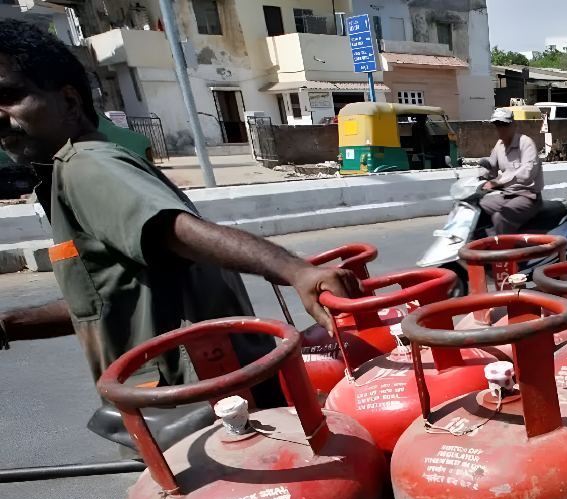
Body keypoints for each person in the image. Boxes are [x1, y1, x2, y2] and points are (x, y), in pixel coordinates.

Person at [0, 19, 357, 404]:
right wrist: (9, 325)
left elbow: (174, 229)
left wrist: (297, 271)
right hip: (203, 388)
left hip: (195, 400)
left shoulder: (84, 165)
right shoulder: (76, 169)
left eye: (11, 96)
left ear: (69, 101)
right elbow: (104, 304)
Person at [479, 107, 544, 235]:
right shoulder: (499, 145)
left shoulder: (525, 143)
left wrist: (500, 182)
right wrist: (482, 175)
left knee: (501, 217)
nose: (501, 128)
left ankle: (501, 252)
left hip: (527, 196)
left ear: (513, 124)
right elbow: (491, 167)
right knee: (477, 207)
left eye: (504, 124)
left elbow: (527, 171)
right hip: (506, 195)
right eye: (498, 124)